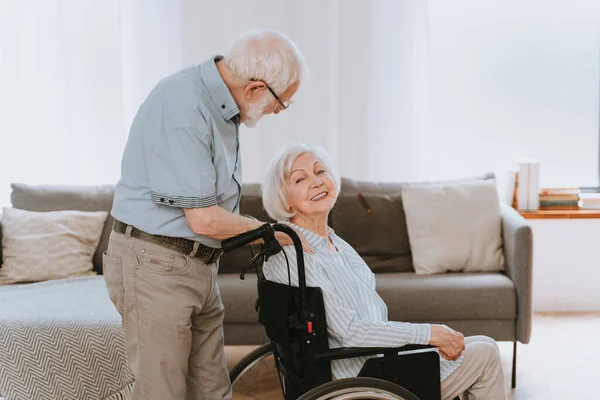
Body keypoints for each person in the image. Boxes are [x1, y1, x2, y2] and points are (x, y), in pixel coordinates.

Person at [103, 29, 308, 400]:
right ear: (256, 89)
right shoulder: (184, 105)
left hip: (195, 264)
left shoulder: (222, 108)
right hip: (155, 264)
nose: (279, 111)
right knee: (162, 392)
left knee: (212, 391)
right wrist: (272, 231)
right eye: (283, 102)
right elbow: (204, 219)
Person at [261, 142, 507, 400]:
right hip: (358, 379)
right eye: (300, 178)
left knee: (484, 344)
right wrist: (428, 334)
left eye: (320, 171)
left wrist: (426, 337)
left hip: (375, 359)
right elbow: (349, 331)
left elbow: (370, 316)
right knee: (485, 357)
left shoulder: (334, 243)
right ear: (284, 198)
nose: (317, 182)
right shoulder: (293, 254)